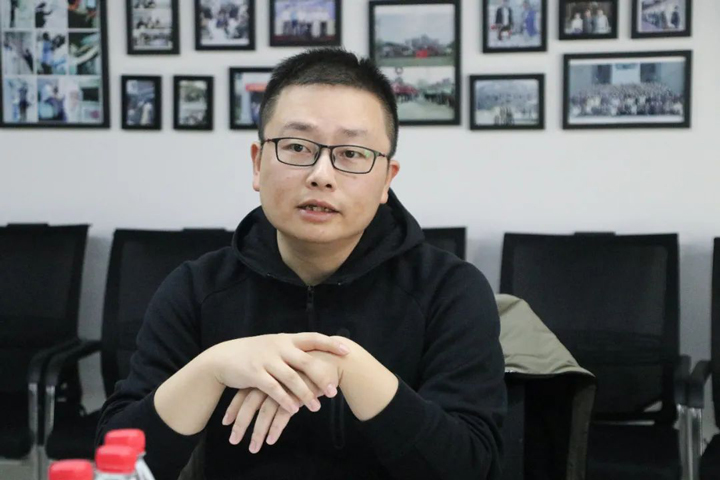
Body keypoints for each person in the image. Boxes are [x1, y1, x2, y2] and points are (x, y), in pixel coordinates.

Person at [96, 48, 506, 480]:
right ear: (258, 164)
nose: (321, 175)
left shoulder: (450, 290)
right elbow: (116, 459)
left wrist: (350, 368)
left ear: (387, 179)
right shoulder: (197, 288)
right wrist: (211, 369)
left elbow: (473, 467)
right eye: (296, 146)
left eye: (352, 153)